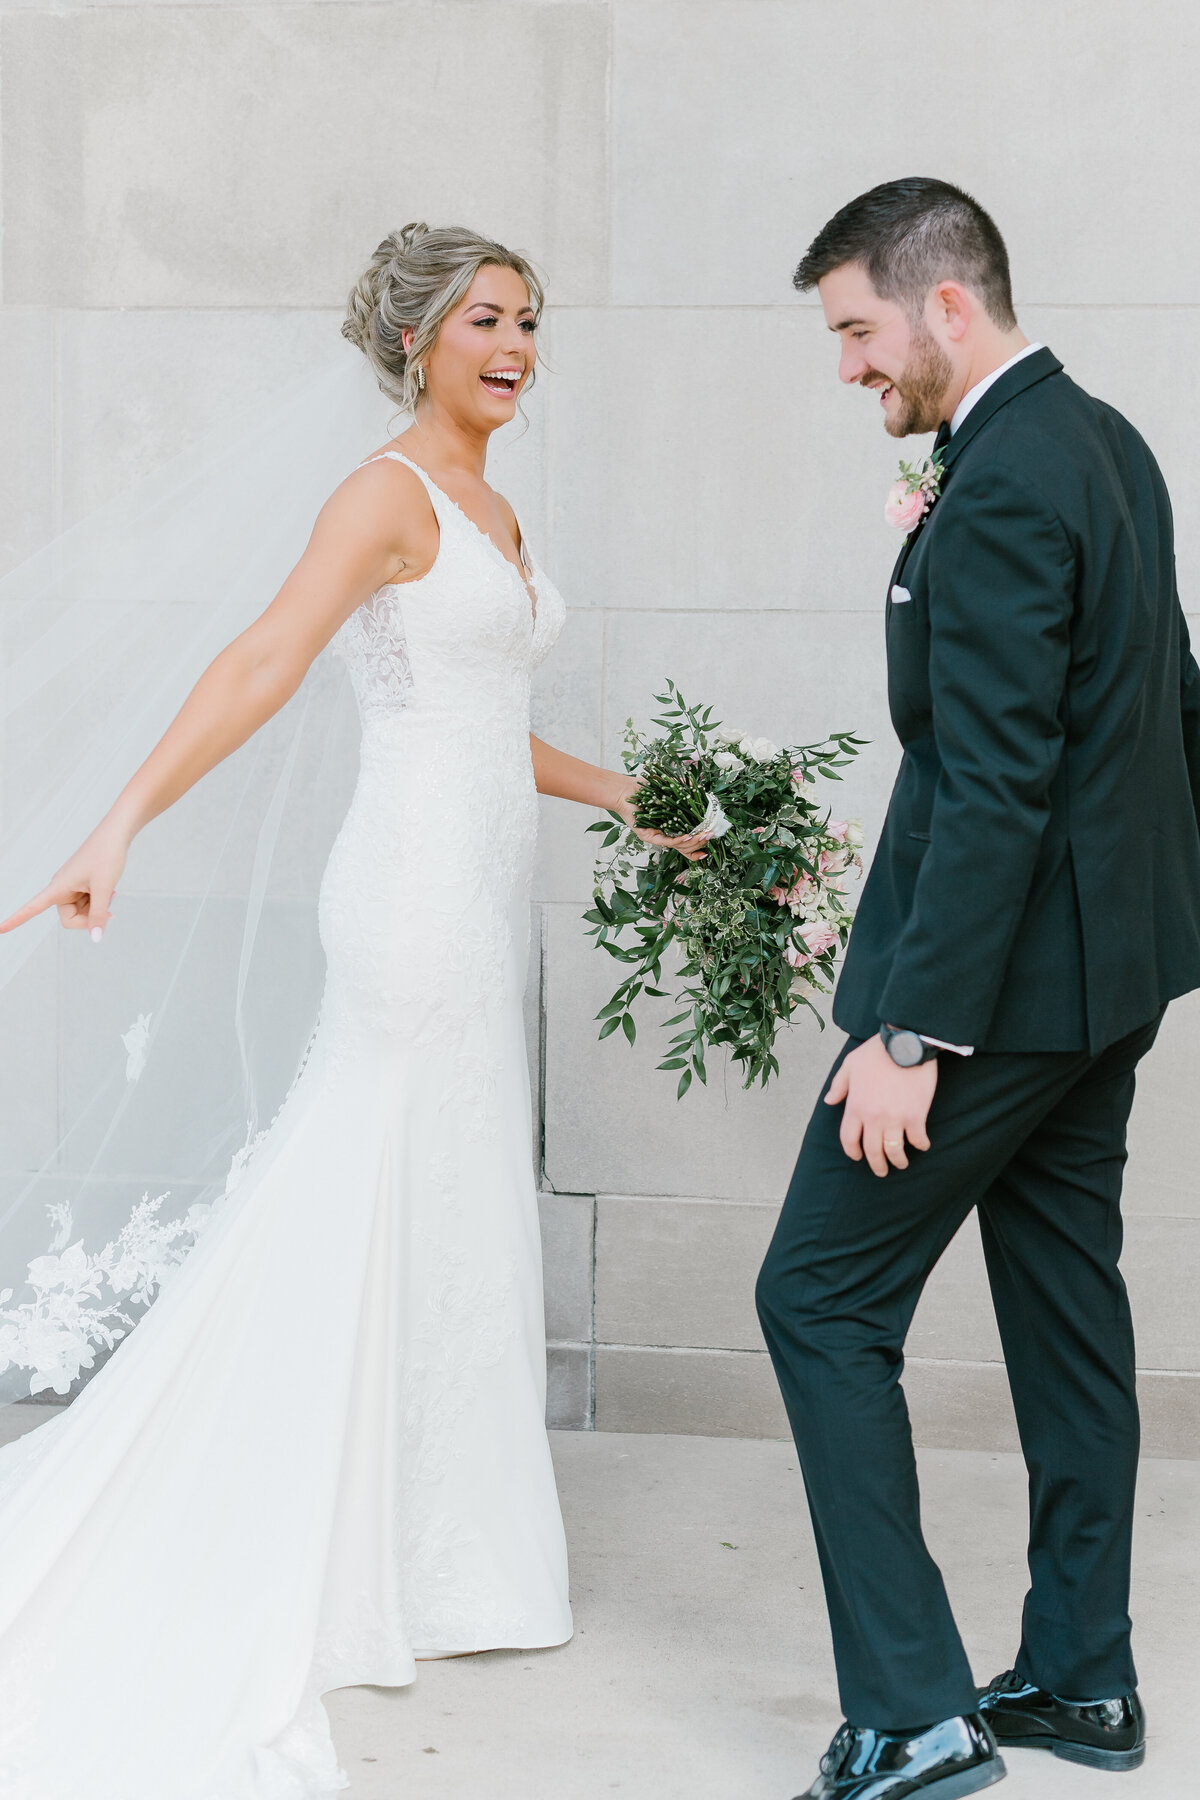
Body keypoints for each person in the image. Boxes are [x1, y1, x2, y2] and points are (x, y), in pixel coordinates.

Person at [0, 222, 702, 1799]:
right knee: (370, 1180)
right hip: (402, 905)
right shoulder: (383, 497)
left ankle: (445, 1556)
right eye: (483, 321)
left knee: (449, 1204)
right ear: (414, 342)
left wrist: (642, 801)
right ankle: (331, 1534)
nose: (515, 345)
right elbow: (263, 660)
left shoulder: (494, 507)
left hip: (473, 896)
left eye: (529, 320)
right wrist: (122, 822)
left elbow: (489, 724)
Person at [755, 178, 1200, 1800]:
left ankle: (916, 1712)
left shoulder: (1008, 477)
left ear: (949, 304)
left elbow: (998, 780)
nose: (850, 367)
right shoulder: (1103, 438)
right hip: (1109, 973)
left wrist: (910, 1032)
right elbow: (1166, 698)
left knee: (815, 1300)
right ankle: (1084, 1681)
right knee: (1070, 1308)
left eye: (859, 330)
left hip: (1001, 990)